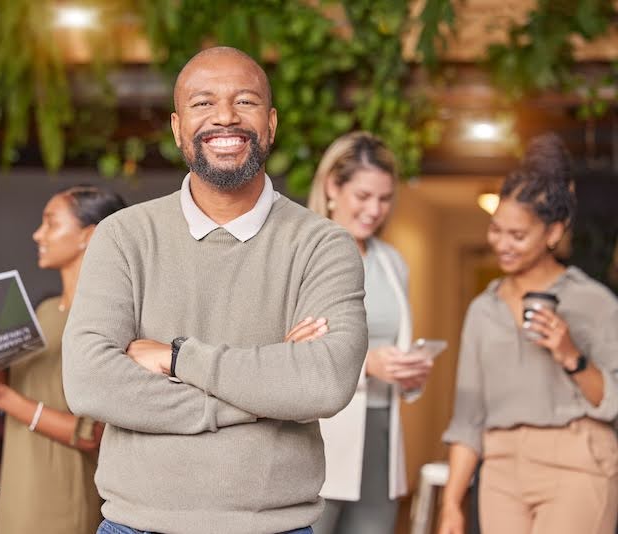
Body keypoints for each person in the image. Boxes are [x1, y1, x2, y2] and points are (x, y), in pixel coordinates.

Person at [61, 46, 369, 534]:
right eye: (203, 103)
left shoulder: (322, 245)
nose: (225, 117)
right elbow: (89, 382)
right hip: (135, 525)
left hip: (275, 528)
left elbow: (324, 383)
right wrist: (262, 395)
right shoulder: (122, 236)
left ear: (271, 123)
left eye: (244, 101)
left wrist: (177, 357)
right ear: (177, 127)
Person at [439, 133, 618, 534]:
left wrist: (571, 355)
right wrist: (451, 502)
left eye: (517, 236)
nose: (502, 244)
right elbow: (468, 418)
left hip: (578, 463)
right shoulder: (483, 310)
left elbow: (613, 401)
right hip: (501, 469)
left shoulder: (594, 303)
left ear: (553, 233)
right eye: (496, 230)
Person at [0, 185, 126, 534]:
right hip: (16, 491)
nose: (38, 234)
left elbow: (93, 433)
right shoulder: (42, 312)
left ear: (88, 236)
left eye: (51, 223)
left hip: (64, 495)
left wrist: (0, 397)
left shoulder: (108, 319)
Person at [306, 132, 434, 534]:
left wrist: (410, 372)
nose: (375, 210)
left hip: (381, 432)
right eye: (363, 196)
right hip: (320, 435)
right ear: (332, 186)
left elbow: (394, 342)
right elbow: (290, 351)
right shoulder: (304, 253)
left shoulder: (392, 262)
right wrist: (367, 366)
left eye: (385, 198)